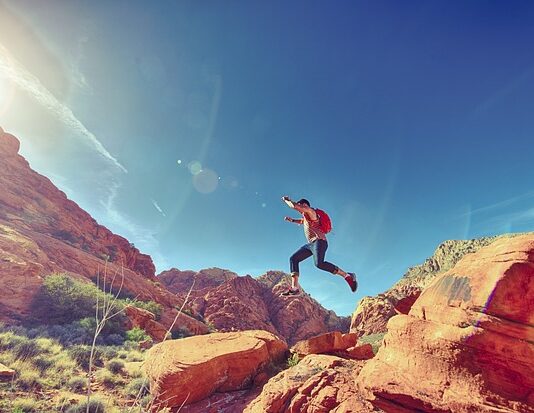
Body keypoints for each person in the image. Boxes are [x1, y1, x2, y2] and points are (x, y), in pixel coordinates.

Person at [281, 196, 357, 296]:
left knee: (319, 264)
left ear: (305, 205)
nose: (300, 209)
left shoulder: (311, 211)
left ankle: (347, 276)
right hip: (310, 244)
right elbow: (301, 221)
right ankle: (295, 288)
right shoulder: (306, 217)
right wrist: (292, 221)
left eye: (301, 206)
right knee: (294, 259)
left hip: (319, 241)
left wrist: (287, 200)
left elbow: (294, 206)